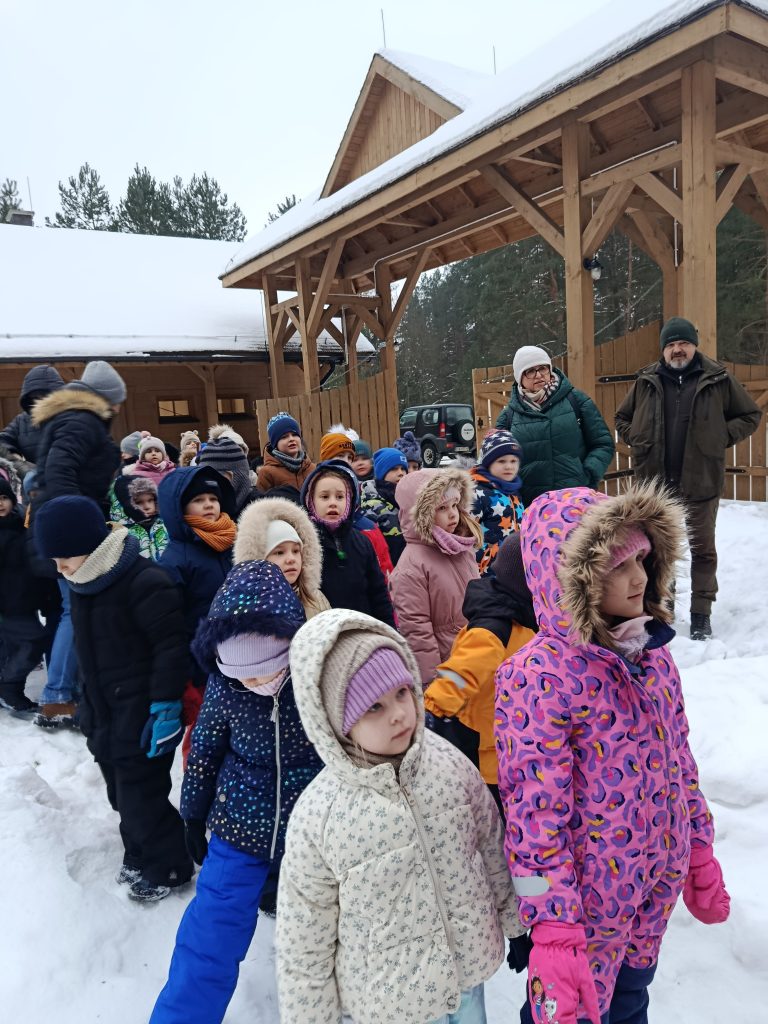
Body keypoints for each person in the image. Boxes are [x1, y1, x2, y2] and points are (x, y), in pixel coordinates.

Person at [495, 483, 730, 1024]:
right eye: (618, 566)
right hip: (583, 918)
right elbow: (534, 818)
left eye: (642, 559)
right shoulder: (537, 678)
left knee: (630, 1003)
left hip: (651, 892)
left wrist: (697, 848)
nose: (639, 578)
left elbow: (680, 765)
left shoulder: (652, 656)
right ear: (572, 580)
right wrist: (552, 927)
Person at [276, 607, 525, 1024]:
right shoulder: (319, 816)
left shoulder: (449, 765)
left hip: (466, 975)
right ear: (336, 722)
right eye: (373, 707)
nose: (398, 713)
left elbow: (489, 845)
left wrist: (514, 920)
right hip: (394, 1000)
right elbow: (305, 936)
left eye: (402, 693)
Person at [150, 561, 323, 1024]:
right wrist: (192, 813)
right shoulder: (226, 688)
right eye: (240, 673)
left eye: (264, 671)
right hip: (239, 823)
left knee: (327, 927)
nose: (253, 683)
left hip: (314, 829)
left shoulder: (317, 679)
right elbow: (205, 749)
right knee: (210, 933)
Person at [34, 495, 193, 902]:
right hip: (104, 713)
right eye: (54, 561)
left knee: (143, 798)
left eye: (64, 559)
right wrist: (86, 703)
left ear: (89, 546)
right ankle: (139, 850)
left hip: (142, 714)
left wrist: (166, 706)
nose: (59, 569)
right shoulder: (84, 583)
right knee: (119, 795)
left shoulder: (145, 581)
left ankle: (169, 866)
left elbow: (171, 647)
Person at [615, 316, 762, 640]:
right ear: (663, 350)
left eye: (683, 343)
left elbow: (751, 415)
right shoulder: (647, 380)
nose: (677, 349)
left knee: (702, 551)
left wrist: (720, 436)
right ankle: (662, 608)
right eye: (671, 344)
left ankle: (701, 614)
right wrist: (637, 438)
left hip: (701, 481)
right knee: (657, 552)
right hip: (655, 486)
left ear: (694, 345)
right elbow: (622, 417)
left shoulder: (717, 378)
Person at [30, 359, 126, 727]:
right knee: (76, 609)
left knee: (77, 609)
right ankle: (57, 697)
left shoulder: (76, 419)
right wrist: (78, 525)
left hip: (71, 526)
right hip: (71, 534)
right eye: (116, 402)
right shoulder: (81, 421)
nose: (118, 410)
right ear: (104, 399)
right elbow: (60, 472)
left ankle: (72, 691)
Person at [424, 532, 537, 808]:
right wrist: (432, 710)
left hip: (515, 734)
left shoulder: (524, 617)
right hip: (491, 748)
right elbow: (459, 673)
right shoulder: (494, 629)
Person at [389, 467, 482, 688]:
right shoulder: (412, 567)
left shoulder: (461, 547)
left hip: (476, 655)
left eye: (455, 505)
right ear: (421, 514)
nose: (453, 514)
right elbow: (418, 633)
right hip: (449, 669)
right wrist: (434, 684)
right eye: (441, 508)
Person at [495, 345, 614, 506]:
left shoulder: (576, 401)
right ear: (519, 378)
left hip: (576, 501)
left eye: (543, 368)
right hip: (532, 506)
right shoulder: (509, 416)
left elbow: (603, 443)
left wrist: (588, 474)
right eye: (530, 371)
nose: (538, 375)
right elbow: (495, 458)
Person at [300, 461, 395, 626]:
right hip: (322, 631)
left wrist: (389, 630)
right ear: (311, 501)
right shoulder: (304, 543)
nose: (333, 502)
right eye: (324, 497)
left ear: (349, 501)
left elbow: (378, 594)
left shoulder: (362, 542)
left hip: (362, 630)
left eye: (340, 497)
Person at [0, 471, 56, 714]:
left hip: (25, 600)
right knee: (34, 641)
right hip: (7, 606)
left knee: (12, 647)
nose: (0, 504)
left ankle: (9, 688)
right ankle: (9, 686)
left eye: (4, 497)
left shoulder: (21, 522)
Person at [234, 496, 330, 619]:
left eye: (296, 551)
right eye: (279, 553)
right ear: (260, 559)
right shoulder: (250, 606)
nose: (291, 559)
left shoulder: (316, 599)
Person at [470, 429, 525, 575]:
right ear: (488, 463)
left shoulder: (514, 492)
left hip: (513, 568)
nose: (509, 466)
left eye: (513, 461)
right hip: (487, 572)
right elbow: (466, 532)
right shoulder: (477, 493)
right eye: (501, 461)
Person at [0, 364, 64, 465]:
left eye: (45, 396)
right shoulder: (21, 421)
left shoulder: (72, 417)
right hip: (34, 473)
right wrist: (15, 458)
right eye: (35, 397)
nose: (40, 401)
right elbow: (2, 442)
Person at [360, 446, 408, 566]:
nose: (401, 473)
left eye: (403, 468)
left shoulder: (409, 499)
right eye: (394, 469)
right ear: (382, 472)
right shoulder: (371, 505)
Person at [109, 475, 169, 561]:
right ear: (126, 505)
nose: (147, 506)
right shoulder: (121, 534)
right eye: (139, 502)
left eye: (150, 500)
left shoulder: (166, 525)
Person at [256, 412, 315, 493]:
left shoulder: (312, 468)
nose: (291, 439)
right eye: (284, 437)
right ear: (275, 444)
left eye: (294, 434)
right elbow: (261, 499)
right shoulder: (267, 473)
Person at [197, 434, 257, 514]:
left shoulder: (261, 512)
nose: (207, 484)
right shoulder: (198, 511)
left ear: (232, 477)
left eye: (213, 477)